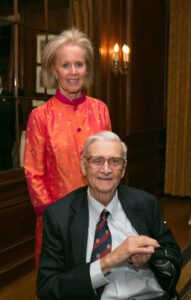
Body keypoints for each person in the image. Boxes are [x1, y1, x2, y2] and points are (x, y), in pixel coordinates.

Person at [37, 131, 182, 300]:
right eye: (97, 161)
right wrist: (109, 261)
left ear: (123, 168)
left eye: (114, 161)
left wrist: (153, 256)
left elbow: (172, 253)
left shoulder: (145, 203)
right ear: (84, 166)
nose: (106, 170)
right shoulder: (59, 215)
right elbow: (47, 288)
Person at [24, 28, 111, 268]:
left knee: (97, 277)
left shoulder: (101, 110)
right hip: (56, 220)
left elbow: (110, 163)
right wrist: (56, 217)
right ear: (54, 70)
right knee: (60, 284)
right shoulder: (40, 116)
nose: (73, 72)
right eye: (65, 65)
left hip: (98, 214)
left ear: (87, 69)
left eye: (79, 64)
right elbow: (34, 173)